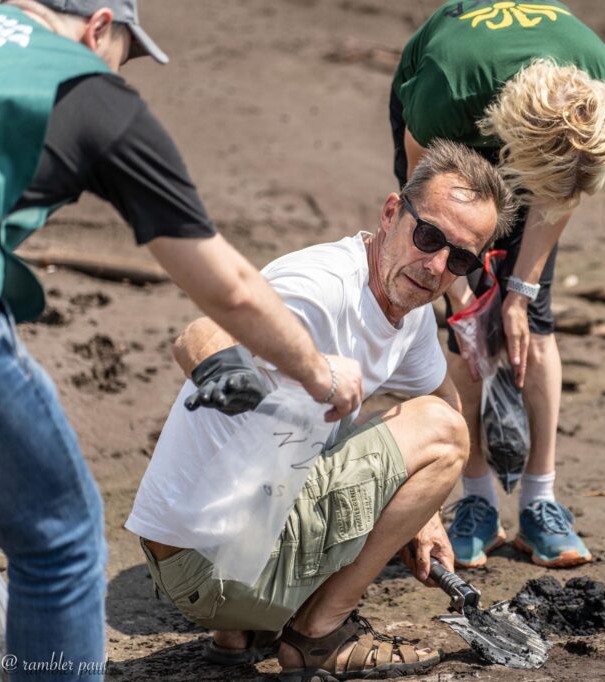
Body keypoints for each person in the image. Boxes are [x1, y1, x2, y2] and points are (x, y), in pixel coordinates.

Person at [0, 1, 345, 678]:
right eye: (123, 53)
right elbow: (228, 288)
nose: (120, 74)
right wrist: (321, 373)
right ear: (97, 27)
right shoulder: (87, 90)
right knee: (57, 539)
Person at [126, 141, 516, 681]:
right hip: (211, 565)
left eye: (461, 258)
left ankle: (240, 632)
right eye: (428, 236)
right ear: (390, 214)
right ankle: (319, 635)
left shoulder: (412, 314)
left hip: (194, 561)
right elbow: (199, 333)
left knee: (387, 422)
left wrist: (422, 517)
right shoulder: (320, 287)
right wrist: (226, 373)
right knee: (444, 436)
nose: (435, 266)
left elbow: (441, 397)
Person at [390, 0, 605, 568]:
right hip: (453, 126)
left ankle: (539, 502)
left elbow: (562, 192)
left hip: (539, 138)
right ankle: (476, 501)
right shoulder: (446, 90)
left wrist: (520, 293)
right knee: (463, 330)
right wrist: (458, 294)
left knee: (533, 320)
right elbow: (422, 195)